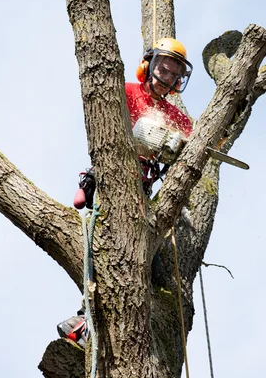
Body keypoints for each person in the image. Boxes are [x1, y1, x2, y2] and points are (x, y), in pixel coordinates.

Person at [58, 38, 193, 345]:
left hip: (142, 190)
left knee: (138, 262)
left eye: (174, 74)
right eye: (164, 68)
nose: (167, 77)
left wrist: (178, 146)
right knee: (107, 250)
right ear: (149, 65)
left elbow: (195, 141)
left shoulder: (177, 117)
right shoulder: (126, 92)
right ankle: (86, 318)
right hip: (112, 181)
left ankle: (90, 321)